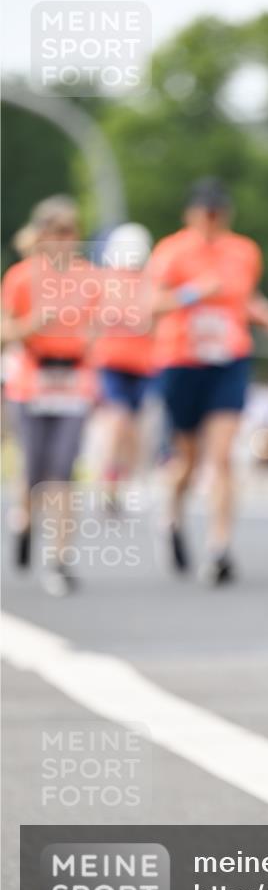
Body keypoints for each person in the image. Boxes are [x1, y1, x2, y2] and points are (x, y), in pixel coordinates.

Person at [151, 177, 268, 583]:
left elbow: (243, 298)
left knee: (223, 455)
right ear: (190, 214)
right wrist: (193, 293)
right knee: (187, 462)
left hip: (228, 359)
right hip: (182, 360)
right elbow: (151, 304)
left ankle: (219, 546)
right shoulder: (171, 251)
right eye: (205, 213)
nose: (212, 220)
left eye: (219, 212)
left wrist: (265, 312)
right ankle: (171, 517)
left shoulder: (244, 251)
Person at [1, 195, 98, 597]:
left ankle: (60, 560)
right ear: (41, 235)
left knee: (62, 473)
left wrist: (89, 338)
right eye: (57, 231)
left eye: (71, 231)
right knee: (34, 470)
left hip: (73, 381)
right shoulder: (22, 277)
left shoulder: (88, 275)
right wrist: (34, 323)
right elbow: (6, 332)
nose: (65, 239)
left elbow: (102, 325)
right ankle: (23, 520)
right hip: (32, 380)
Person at [92, 223, 155, 501]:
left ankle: (127, 479)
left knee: (135, 428)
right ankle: (108, 481)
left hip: (143, 366)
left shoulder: (150, 282)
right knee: (117, 423)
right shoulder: (104, 281)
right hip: (112, 363)